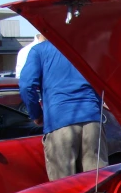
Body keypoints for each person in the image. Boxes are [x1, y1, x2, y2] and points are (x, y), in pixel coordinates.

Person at [19, 41, 108, 181]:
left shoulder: (39, 51)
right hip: (92, 121)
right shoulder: (88, 48)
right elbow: (101, 81)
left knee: (63, 188)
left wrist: (36, 114)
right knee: (96, 184)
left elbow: (27, 86)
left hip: (59, 121)